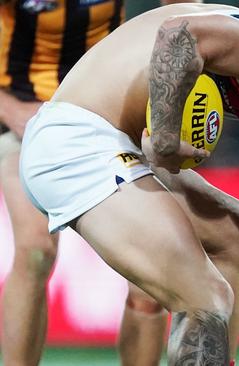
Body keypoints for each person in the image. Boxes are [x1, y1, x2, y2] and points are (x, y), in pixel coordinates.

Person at [17, 3, 239, 364]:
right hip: (77, 142)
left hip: (108, 140)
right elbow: (176, 34)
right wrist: (168, 138)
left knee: (235, 230)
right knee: (204, 297)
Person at [0, 1, 201, 365]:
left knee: (148, 277)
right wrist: (10, 109)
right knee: (35, 250)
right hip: (23, 116)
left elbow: (188, 16)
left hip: (104, 116)